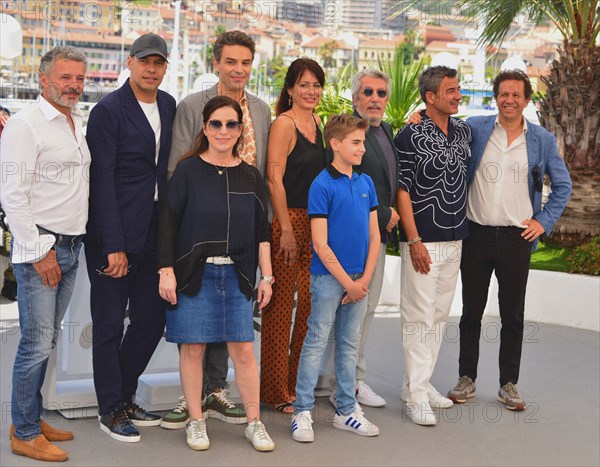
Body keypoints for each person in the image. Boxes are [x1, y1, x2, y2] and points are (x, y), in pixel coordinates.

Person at [162, 30, 271, 429]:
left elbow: (261, 173)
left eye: (245, 62)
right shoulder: (193, 105)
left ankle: (215, 391)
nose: (238, 69)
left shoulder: (260, 109)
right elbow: (178, 168)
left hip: (244, 228)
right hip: (199, 226)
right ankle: (196, 401)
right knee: (194, 329)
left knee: (234, 329)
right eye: (230, 62)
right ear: (217, 64)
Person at [445, 69, 572, 410]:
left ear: (526, 100)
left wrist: (543, 221)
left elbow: (563, 186)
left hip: (517, 238)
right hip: (476, 234)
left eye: (516, 94)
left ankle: (508, 384)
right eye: (504, 93)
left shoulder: (541, 140)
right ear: (495, 97)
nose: (509, 100)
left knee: (512, 315)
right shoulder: (475, 128)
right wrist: (418, 119)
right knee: (471, 311)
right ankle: (466, 377)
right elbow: (442, 129)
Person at [84, 33, 176, 442]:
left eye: (158, 63)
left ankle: (122, 394)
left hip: (155, 232)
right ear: (130, 62)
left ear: (165, 66)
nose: (151, 69)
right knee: (107, 325)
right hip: (114, 233)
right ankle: (110, 409)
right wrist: (113, 245)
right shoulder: (108, 111)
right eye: (144, 62)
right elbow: (100, 183)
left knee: (152, 319)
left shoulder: (169, 105)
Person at [1, 45, 89, 462]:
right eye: (65, 77)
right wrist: (39, 250)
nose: (73, 85)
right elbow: (12, 196)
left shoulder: (74, 122)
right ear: (43, 79)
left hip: (71, 245)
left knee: (47, 338)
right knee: (36, 343)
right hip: (44, 246)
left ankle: (29, 416)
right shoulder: (25, 125)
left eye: (79, 78)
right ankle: (25, 432)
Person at [291, 114, 380, 442]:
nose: (362, 148)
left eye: (363, 142)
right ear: (335, 144)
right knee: (315, 341)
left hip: (359, 281)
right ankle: (302, 410)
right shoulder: (321, 185)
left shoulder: (366, 183)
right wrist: (348, 283)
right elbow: (319, 244)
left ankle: (346, 410)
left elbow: (374, 236)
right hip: (329, 280)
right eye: (356, 142)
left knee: (348, 344)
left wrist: (364, 280)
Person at [394, 66, 470, 426]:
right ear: (430, 97)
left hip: (456, 239)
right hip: (424, 241)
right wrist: (414, 239)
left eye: (458, 90)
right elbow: (401, 190)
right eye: (451, 90)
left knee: (439, 316)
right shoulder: (409, 136)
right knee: (418, 318)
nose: (458, 96)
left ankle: (418, 386)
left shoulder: (465, 132)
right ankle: (416, 397)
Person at [328, 69, 399, 409]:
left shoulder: (385, 130)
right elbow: (347, 179)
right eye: (367, 92)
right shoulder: (349, 133)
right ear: (355, 98)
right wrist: (385, 214)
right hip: (354, 234)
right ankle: (345, 384)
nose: (375, 98)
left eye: (381, 93)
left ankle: (353, 379)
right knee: (351, 310)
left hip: (378, 237)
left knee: (367, 308)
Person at [260, 58, 326, 414]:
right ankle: (274, 391)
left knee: (310, 310)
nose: (310, 91)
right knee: (280, 311)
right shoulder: (283, 125)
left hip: (315, 224)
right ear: (289, 89)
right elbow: (273, 179)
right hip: (288, 223)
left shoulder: (319, 122)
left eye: (316, 85)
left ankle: (295, 384)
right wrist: (284, 228)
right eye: (303, 84)